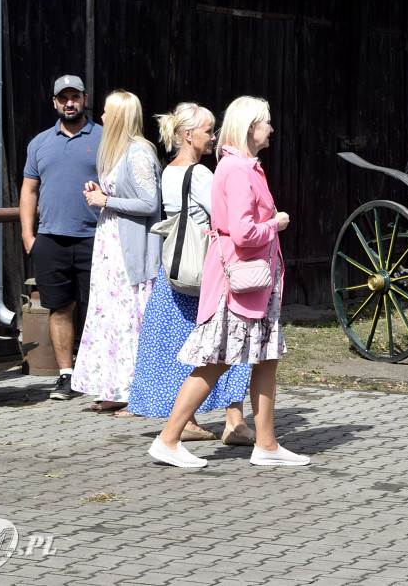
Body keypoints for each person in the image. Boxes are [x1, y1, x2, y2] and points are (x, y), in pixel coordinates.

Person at [148, 96, 309, 468]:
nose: (271, 129)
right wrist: (275, 224)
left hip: (256, 283)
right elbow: (243, 233)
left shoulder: (245, 167)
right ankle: (168, 440)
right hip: (239, 284)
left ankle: (266, 445)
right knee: (216, 361)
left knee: (266, 359)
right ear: (251, 128)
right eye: (266, 122)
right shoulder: (236, 170)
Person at [127, 103, 256, 445]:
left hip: (176, 271)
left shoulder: (169, 171)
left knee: (181, 347)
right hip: (206, 271)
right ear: (188, 135)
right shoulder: (199, 175)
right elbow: (225, 215)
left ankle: (189, 420)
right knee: (230, 340)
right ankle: (234, 422)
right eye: (208, 131)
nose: (213, 137)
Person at [71, 90, 162, 414]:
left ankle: (138, 395)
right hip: (112, 247)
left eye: (107, 112)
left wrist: (106, 200)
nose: (102, 117)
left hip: (129, 251)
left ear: (120, 117)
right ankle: (116, 388)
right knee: (111, 319)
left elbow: (150, 203)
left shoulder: (138, 153)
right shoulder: (118, 152)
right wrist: (101, 192)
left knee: (130, 321)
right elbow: (124, 194)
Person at [20, 75, 102, 400]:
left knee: (100, 309)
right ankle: (66, 376)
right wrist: (29, 237)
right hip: (51, 240)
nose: (70, 103)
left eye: (75, 97)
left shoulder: (104, 138)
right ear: (55, 102)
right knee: (59, 308)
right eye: (63, 98)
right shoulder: (39, 143)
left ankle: (100, 376)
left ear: (85, 99)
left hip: (96, 238)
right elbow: (29, 190)